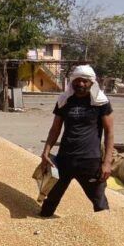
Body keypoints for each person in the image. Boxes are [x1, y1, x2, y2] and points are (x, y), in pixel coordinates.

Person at [39, 65, 114, 217]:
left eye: (85, 81)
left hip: (90, 161)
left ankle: (108, 236)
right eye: (77, 80)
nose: (81, 84)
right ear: (72, 81)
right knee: (51, 199)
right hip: (64, 159)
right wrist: (46, 152)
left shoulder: (100, 102)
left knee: (99, 203)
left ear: (92, 83)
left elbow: (110, 132)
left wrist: (107, 162)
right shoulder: (64, 101)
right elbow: (55, 129)